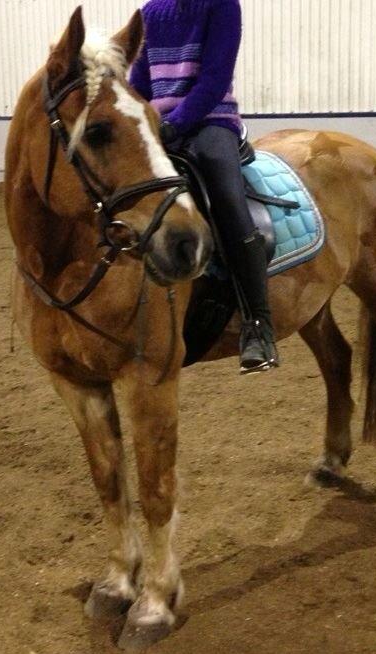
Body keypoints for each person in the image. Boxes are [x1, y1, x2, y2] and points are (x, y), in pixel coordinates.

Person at [129, 0, 279, 374]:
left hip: (211, 121)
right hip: (160, 127)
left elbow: (214, 79)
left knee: (226, 198)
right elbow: (138, 84)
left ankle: (258, 325)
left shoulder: (222, 5)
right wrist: (140, 123)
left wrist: (174, 124)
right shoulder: (149, 13)